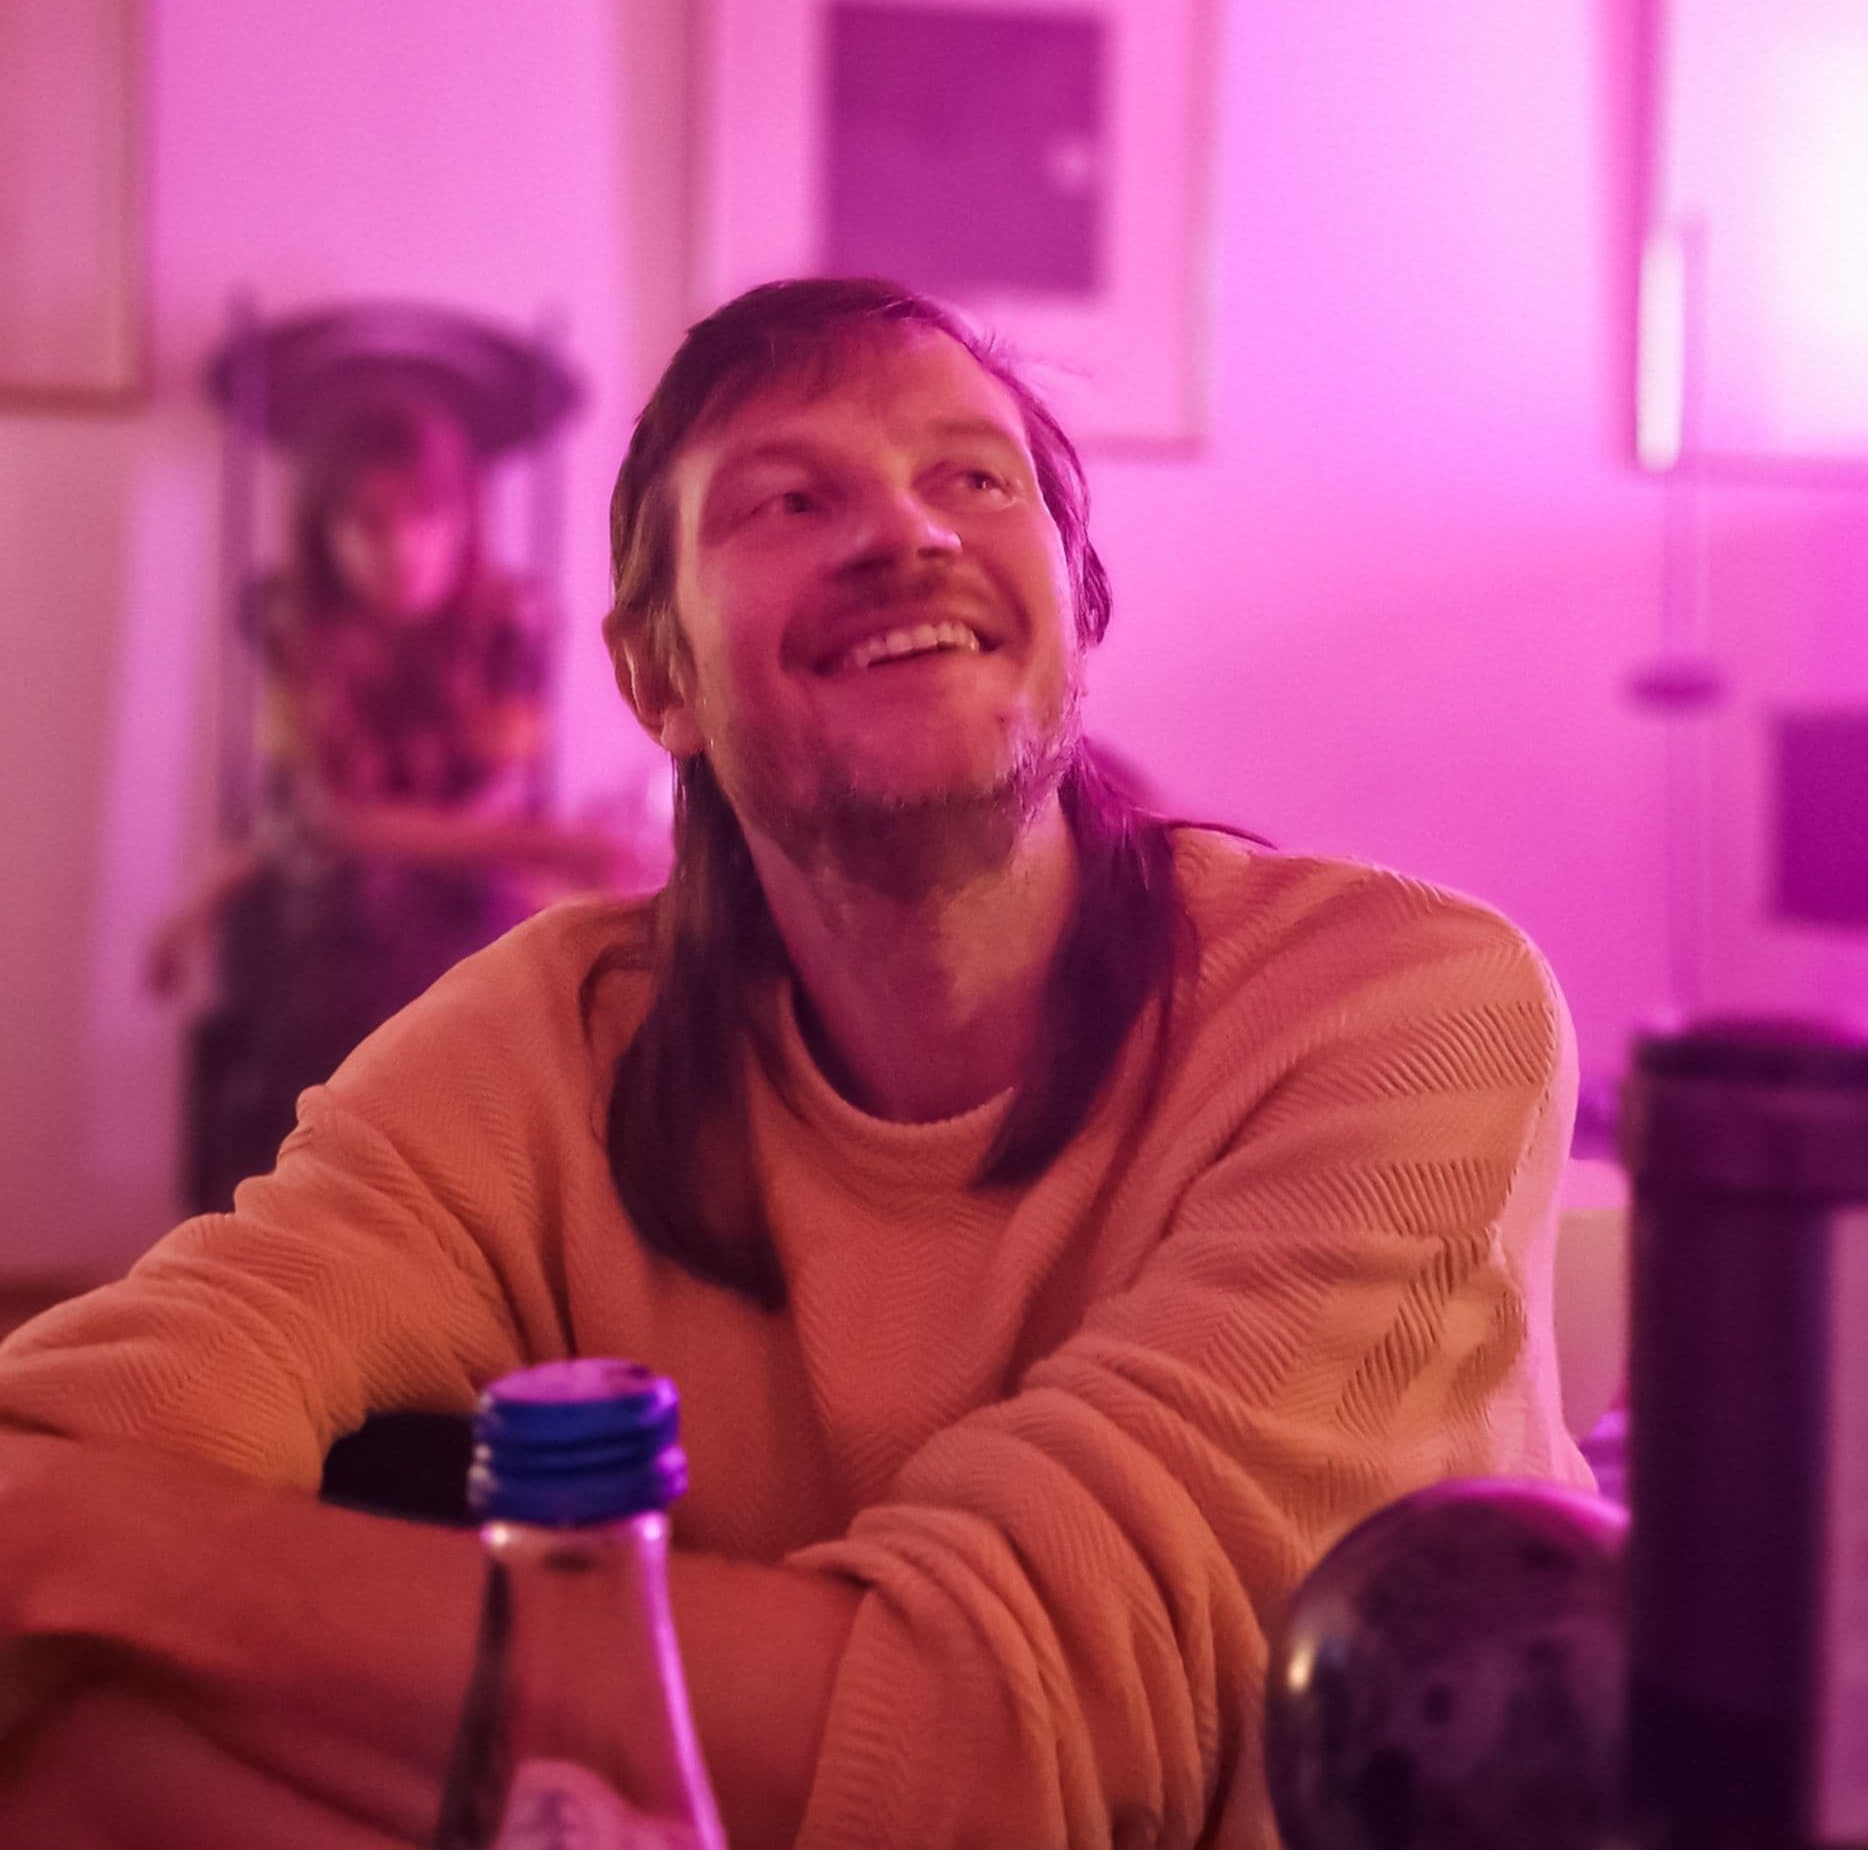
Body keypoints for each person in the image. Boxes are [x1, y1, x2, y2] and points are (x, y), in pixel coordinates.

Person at [0, 277, 1588, 1850]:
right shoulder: (540, 1047)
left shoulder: (1399, 1007)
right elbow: (86, 1431)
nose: (907, 531)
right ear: (659, 677)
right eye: (788, 499)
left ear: (1079, 605)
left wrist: (118, 1553)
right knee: (84, 1760)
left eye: (975, 476)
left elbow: (1009, 1748)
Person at [144, 392, 640, 1210]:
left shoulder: (509, 626)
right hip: (331, 919)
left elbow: (487, 817)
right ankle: (328, 1208)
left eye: (425, 516)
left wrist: (550, 859)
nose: (402, 548)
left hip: (459, 902)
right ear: (325, 532)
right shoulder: (296, 626)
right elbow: (318, 816)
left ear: (462, 520)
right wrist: (204, 900)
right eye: (368, 523)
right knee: (347, 935)